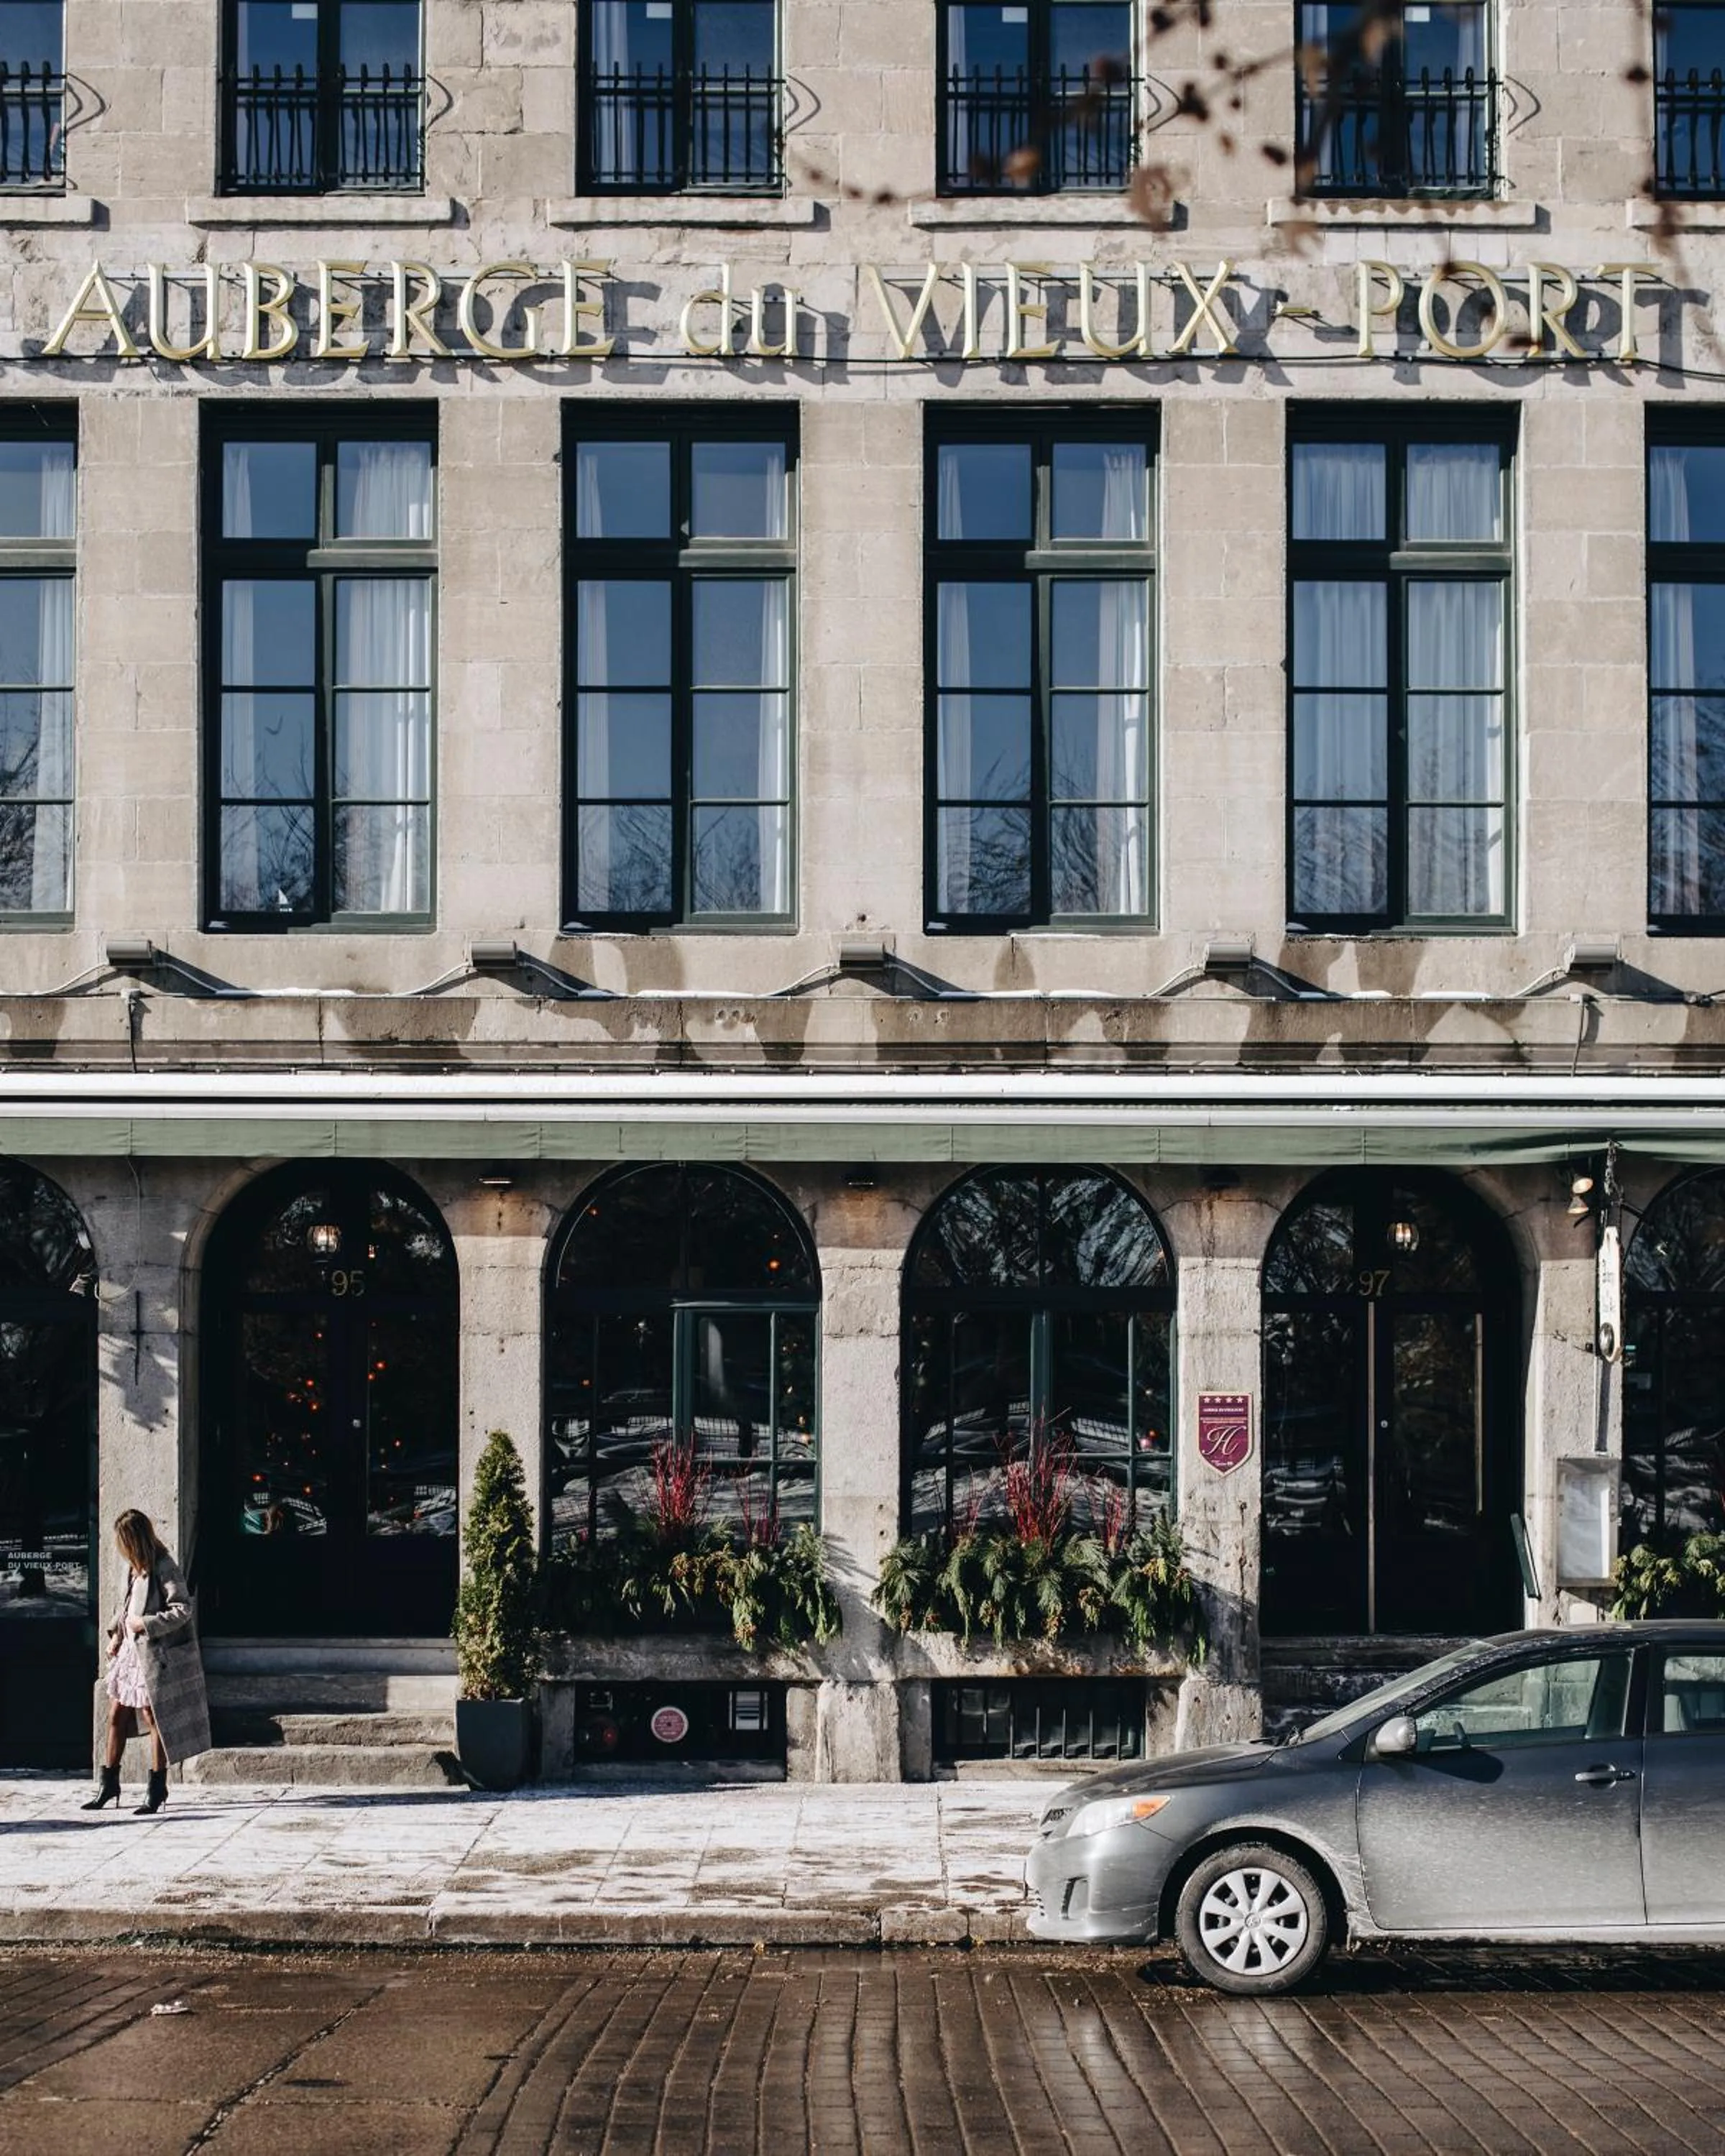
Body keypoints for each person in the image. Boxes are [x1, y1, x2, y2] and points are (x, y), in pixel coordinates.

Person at [80, 1511, 211, 1815]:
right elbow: (127, 1607)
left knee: (155, 1718)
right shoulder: (134, 1568)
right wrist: (117, 1633)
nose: (120, 1548)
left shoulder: (164, 1567)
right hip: (130, 1653)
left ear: (134, 1540)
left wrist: (146, 1625)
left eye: (124, 1542)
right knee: (115, 1716)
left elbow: (182, 1609)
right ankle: (109, 1783)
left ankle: (156, 1787)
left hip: (152, 1656)